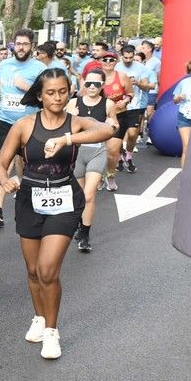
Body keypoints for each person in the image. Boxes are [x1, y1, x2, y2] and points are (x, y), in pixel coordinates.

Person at [0, 68, 112, 360]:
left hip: (65, 200)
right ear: (39, 95)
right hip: (29, 199)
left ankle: (52, 332)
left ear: (70, 91)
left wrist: (68, 140)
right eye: (50, 92)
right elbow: (1, 163)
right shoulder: (23, 125)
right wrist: (5, 181)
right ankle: (39, 317)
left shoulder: (76, 122)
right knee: (33, 271)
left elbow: (108, 130)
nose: (57, 98)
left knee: (48, 270)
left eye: (62, 91)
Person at [0, 29, 45, 228]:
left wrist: (26, 87)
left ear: (31, 46)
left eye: (25, 44)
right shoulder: (4, 64)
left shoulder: (38, 67)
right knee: (3, 163)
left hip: (28, 123)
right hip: (5, 120)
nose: (21, 47)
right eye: (18, 44)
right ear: (13, 45)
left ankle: (26, 195)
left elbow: (43, 94)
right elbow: (2, 84)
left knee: (24, 163)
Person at [65, 68, 118, 252]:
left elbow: (114, 123)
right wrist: (72, 117)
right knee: (79, 197)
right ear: (83, 84)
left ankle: (85, 236)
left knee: (89, 195)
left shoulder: (108, 104)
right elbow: (64, 126)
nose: (92, 87)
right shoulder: (73, 102)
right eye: (88, 83)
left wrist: (112, 125)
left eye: (96, 84)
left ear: (102, 85)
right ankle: (81, 227)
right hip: (77, 154)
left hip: (97, 152)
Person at [98, 50, 132, 190]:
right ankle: (98, 176)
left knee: (112, 152)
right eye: (105, 60)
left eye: (111, 60)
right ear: (100, 61)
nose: (108, 63)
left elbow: (130, 93)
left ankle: (110, 176)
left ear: (116, 62)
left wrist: (125, 101)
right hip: (98, 117)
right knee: (99, 150)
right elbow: (83, 93)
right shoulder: (94, 76)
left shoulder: (122, 76)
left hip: (118, 117)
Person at [115, 44, 152, 172]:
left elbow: (146, 86)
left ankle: (129, 156)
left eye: (131, 57)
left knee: (132, 134)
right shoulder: (116, 67)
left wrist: (137, 82)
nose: (129, 60)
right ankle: (120, 157)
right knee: (117, 135)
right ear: (122, 56)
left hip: (136, 104)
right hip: (118, 105)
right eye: (126, 58)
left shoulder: (141, 68)